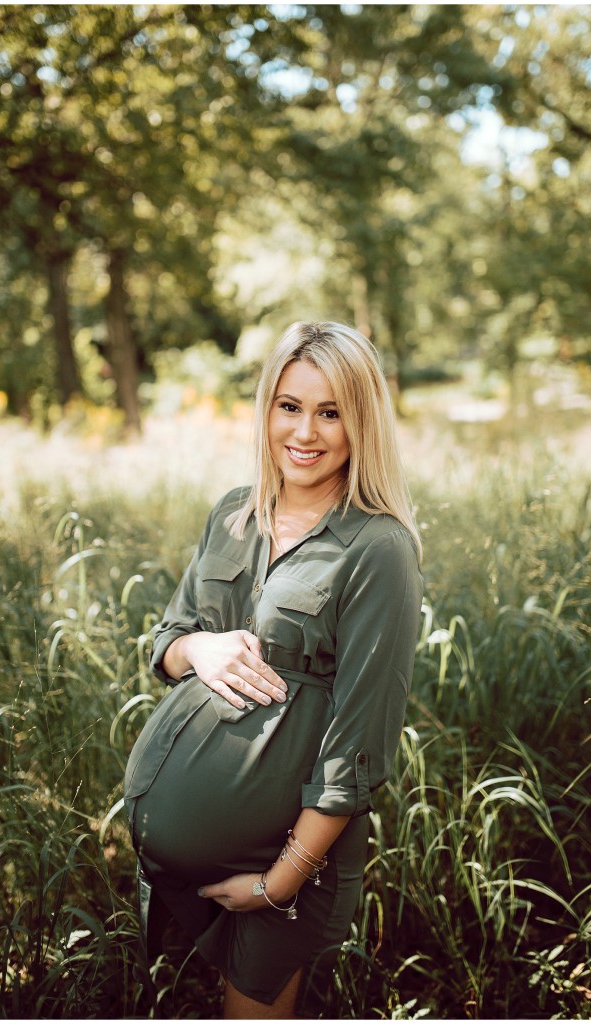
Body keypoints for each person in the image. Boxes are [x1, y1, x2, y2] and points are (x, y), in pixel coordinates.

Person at [124, 320, 423, 1019]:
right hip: (185, 866)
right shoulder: (234, 512)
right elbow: (168, 639)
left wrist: (277, 884)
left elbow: (358, 749)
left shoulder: (378, 548)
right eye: (289, 406)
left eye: (331, 411)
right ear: (266, 408)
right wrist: (199, 649)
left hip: (285, 863)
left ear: (362, 422)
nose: (306, 432)